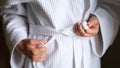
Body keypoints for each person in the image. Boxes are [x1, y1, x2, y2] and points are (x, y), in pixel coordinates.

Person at [0, 0, 120, 68]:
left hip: (87, 56)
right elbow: (10, 10)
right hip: (42, 54)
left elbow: (111, 3)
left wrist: (100, 19)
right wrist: (19, 39)